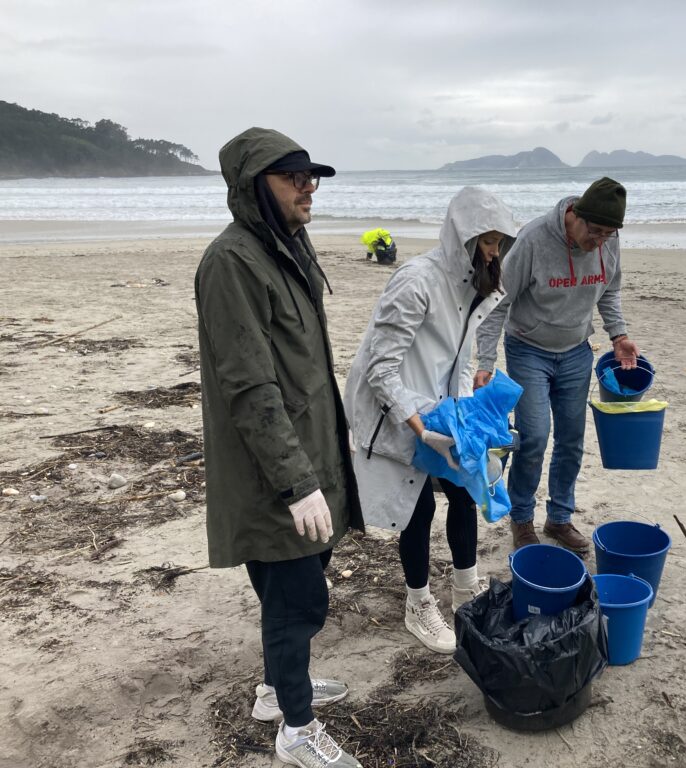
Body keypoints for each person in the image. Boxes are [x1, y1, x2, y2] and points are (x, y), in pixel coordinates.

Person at [195, 127, 364, 768]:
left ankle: (275, 687)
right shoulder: (231, 262)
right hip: (271, 471)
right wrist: (296, 483)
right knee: (297, 599)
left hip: (309, 449)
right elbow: (250, 386)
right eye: (293, 176)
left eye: (311, 175)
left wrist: (323, 465)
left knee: (294, 585)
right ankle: (295, 729)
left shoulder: (287, 244)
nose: (308, 187)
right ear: (253, 185)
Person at [344, 186, 517, 654]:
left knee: (465, 490)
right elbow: (380, 367)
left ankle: (466, 589)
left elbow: (460, 358)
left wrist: (465, 417)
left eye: (500, 243)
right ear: (461, 235)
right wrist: (421, 427)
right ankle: (417, 602)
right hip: (396, 411)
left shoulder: (474, 287)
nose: (494, 252)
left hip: (442, 408)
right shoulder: (417, 280)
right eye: (487, 241)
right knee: (417, 507)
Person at [474, 177, 640, 554]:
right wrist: (485, 361)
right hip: (528, 349)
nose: (598, 242)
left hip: (576, 351)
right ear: (575, 215)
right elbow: (497, 303)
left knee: (571, 440)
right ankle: (521, 519)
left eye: (607, 235)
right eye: (594, 232)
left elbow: (610, 290)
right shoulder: (533, 240)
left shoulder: (608, 242)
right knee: (533, 437)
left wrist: (618, 335)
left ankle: (559, 518)